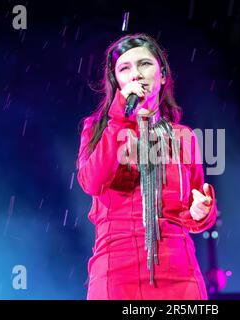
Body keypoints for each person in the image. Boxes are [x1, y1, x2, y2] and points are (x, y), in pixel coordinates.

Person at [76, 33, 218, 300]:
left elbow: (196, 207)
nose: (136, 75)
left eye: (145, 64)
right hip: (116, 269)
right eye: (125, 68)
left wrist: (201, 211)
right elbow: (92, 181)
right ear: (116, 82)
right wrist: (120, 119)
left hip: (179, 269)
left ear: (162, 75)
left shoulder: (183, 136)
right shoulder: (98, 129)